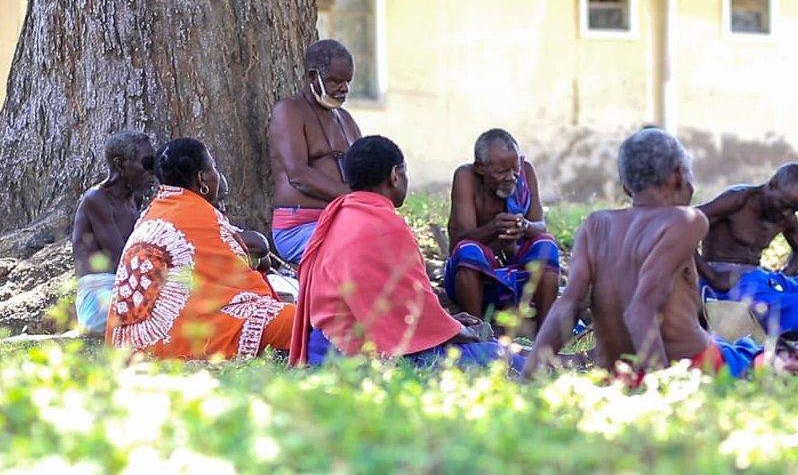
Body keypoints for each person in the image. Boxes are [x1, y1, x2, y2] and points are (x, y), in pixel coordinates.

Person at [525, 129, 761, 378]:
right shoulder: (686, 220)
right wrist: (658, 385)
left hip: (618, 373)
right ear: (679, 176)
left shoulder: (596, 225)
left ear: (626, 186)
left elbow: (568, 304)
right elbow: (640, 309)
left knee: (737, 347)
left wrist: (529, 371)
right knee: (764, 357)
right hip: (688, 365)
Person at [290, 136, 521, 371]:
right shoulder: (386, 224)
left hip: (320, 348)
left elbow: (397, 306)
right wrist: (463, 331)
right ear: (395, 175)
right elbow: (412, 316)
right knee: (496, 354)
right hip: (357, 356)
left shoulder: (338, 214)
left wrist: (447, 322)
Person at [105, 138, 294, 360]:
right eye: (213, 167)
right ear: (202, 178)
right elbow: (252, 269)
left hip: (129, 345)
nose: (217, 175)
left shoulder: (152, 212)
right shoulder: (199, 215)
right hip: (184, 336)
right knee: (302, 319)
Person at [445, 129, 559, 330]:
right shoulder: (466, 177)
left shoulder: (526, 172)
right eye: (501, 172)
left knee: (546, 245)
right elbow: (458, 242)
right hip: (479, 277)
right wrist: (494, 227)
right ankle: (477, 330)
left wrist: (524, 226)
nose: (511, 177)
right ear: (480, 167)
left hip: (519, 274)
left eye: (514, 169)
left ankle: (545, 332)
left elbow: (540, 225)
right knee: (468, 251)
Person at [695, 164, 798, 334]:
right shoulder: (738, 200)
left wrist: (785, 275)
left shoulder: (786, 216)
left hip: (759, 278)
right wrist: (711, 276)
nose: (787, 213)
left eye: (794, 209)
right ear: (773, 184)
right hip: (726, 281)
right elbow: (682, 226)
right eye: (784, 204)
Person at [269, 40, 363, 264]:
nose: (344, 89)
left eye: (347, 82)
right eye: (336, 81)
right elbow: (298, 175)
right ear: (313, 77)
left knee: (393, 243)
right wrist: (354, 198)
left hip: (346, 221)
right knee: (358, 249)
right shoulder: (289, 111)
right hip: (299, 227)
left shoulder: (346, 120)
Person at [71, 131, 155, 335]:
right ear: (120, 164)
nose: (152, 171)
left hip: (126, 288)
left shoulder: (133, 199)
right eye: (146, 163)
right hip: (98, 299)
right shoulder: (97, 199)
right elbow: (123, 260)